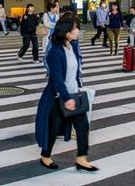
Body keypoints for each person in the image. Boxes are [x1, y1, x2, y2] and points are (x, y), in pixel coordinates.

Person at [35, 17, 97, 172]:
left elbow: (75, 71)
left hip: (74, 95)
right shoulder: (55, 52)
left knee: (83, 127)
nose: (78, 31)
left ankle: (81, 159)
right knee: (53, 129)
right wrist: (66, 97)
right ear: (67, 33)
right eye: (75, 28)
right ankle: (45, 156)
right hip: (58, 98)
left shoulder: (73, 46)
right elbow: (56, 78)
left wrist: (78, 88)